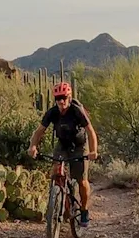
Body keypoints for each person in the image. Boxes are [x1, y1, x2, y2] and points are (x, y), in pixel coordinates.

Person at [27, 81, 98, 228]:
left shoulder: (77, 110)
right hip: (62, 144)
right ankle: (57, 199)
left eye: (64, 97)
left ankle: (84, 210)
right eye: (58, 98)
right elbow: (39, 131)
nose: (61, 101)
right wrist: (32, 146)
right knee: (56, 172)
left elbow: (90, 131)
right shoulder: (52, 112)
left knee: (81, 180)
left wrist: (93, 151)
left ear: (69, 97)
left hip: (79, 145)